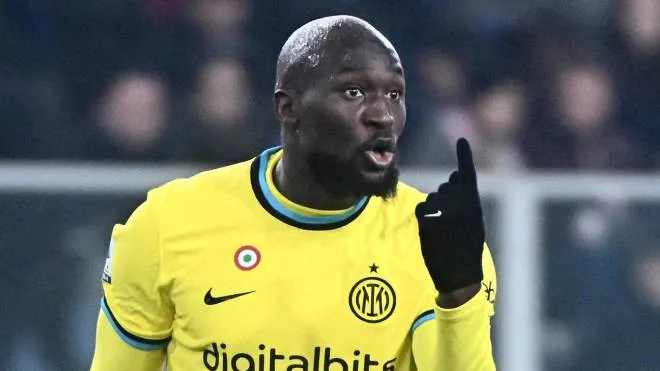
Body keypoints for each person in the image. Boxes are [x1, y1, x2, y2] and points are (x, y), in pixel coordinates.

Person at [90, 15, 497, 370]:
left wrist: (459, 295)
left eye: (395, 94)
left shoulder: (436, 241)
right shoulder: (168, 224)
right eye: (354, 92)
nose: (383, 115)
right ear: (288, 107)